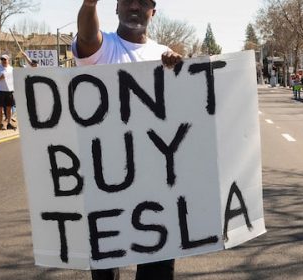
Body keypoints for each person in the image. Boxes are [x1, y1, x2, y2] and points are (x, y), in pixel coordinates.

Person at [73, 0, 183, 278]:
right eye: (127, 0)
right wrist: (89, 3)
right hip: (107, 179)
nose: (135, 5)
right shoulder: (102, 46)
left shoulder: (163, 53)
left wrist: (178, 70)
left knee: (157, 263)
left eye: (143, 2)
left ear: (153, 12)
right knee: (107, 265)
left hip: (156, 178)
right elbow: (86, 36)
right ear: (117, 8)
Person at [0, 54, 15, 130]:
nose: (3, 61)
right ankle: (1, 124)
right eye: (2, 59)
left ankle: (9, 123)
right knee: (0, 108)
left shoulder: (11, 68)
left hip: (10, 90)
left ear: (8, 60)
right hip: (1, 90)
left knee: (9, 108)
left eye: (5, 59)